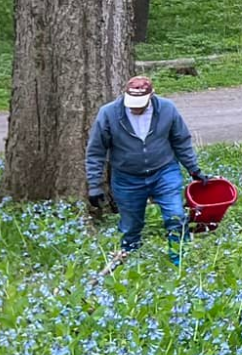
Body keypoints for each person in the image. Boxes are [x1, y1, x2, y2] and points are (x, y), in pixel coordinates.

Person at [84, 76, 205, 260]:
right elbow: (96, 151)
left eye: (140, 103)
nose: (135, 107)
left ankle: (179, 259)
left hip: (164, 170)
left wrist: (194, 169)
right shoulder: (108, 114)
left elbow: (181, 141)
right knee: (130, 226)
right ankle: (129, 262)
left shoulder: (167, 109)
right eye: (132, 103)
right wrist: (94, 185)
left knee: (175, 217)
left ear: (151, 96)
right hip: (126, 177)